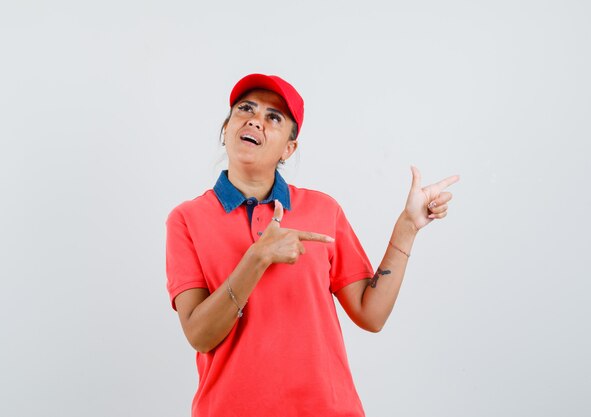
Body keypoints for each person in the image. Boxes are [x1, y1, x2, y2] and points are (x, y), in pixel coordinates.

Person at [165, 73, 460, 417]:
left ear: (289, 148)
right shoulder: (186, 219)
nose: (255, 120)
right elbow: (200, 335)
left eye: (273, 117)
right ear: (227, 128)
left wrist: (407, 227)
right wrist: (257, 258)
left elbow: (371, 314)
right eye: (246, 109)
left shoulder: (323, 210)